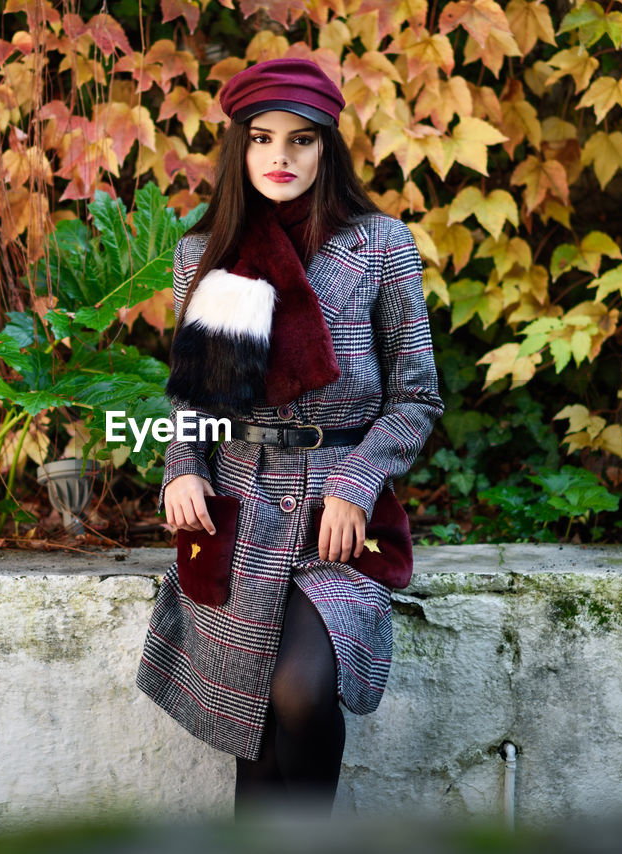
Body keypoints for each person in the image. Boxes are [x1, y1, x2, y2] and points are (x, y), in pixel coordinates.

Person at [136, 56, 444, 818]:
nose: (282, 157)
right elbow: (198, 400)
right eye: (263, 139)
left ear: (327, 147)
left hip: (337, 516)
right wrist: (182, 467)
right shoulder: (203, 253)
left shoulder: (379, 245)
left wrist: (356, 482)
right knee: (259, 723)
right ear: (240, 149)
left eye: (302, 140)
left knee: (300, 691)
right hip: (239, 511)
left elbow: (415, 396)